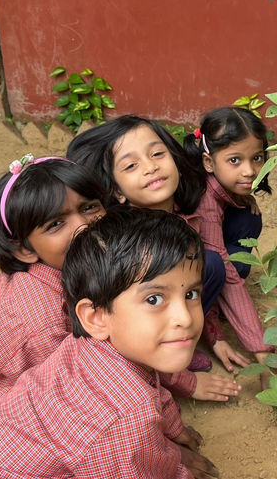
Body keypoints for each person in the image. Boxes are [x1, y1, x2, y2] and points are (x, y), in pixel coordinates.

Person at [0, 207, 219, 479]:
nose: (185, 317)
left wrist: (173, 429)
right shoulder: (123, 418)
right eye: (154, 299)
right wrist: (175, 468)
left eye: (191, 294)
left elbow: (153, 383)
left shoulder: (95, 348)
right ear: (95, 317)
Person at [67, 115, 242, 398]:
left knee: (216, 258)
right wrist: (186, 382)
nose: (150, 167)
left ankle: (177, 340)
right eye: (131, 165)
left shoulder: (185, 213)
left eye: (157, 154)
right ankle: (166, 361)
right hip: (132, 337)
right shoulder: (121, 248)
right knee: (208, 265)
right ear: (117, 191)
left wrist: (214, 335)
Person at [0, 155, 106, 446]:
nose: (84, 226)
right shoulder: (42, 320)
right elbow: (70, 395)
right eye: (56, 224)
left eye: (89, 207)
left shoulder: (68, 272)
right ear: (24, 250)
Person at [182, 107, 273, 375]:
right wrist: (261, 350)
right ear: (208, 163)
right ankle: (192, 327)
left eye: (257, 158)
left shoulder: (218, 184)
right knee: (217, 266)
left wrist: (241, 198)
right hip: (178, 273)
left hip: (203, 255)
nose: (250, 171)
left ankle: (215, 302)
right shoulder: (204, 202)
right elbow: (226, 272)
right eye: (235, 160)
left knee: (247, 219)